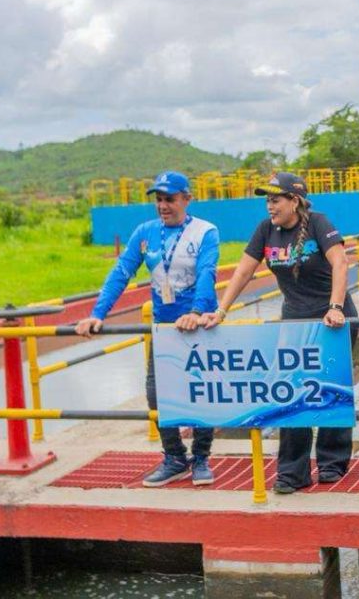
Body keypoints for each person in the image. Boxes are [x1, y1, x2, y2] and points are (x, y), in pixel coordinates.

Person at [193, 172, 356, 494]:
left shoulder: (319, 223)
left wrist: (335, 307)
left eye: (275, 199)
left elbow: (340, 263)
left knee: (331, 391)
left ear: (294, 201)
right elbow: (243, 271)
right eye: (267, 200)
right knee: (292, 395)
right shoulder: (265, 230)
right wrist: (221, 310)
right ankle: (292, 473)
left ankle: (331, 463)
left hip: (331, 319)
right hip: (294, 322)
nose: (269, 206)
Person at [75, 171, 220, 487]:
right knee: (157, 394)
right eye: (159, 200)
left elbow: (208, 273)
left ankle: (202, 458)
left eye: (170, 199)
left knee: (202, 393)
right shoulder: (145, 233)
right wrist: (97, 314)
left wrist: (196, 312)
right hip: (164, 328)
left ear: (186, 199)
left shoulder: (205, 232)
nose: (163, 206)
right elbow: (121, 272)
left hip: (199, 326)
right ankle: (174, 458)